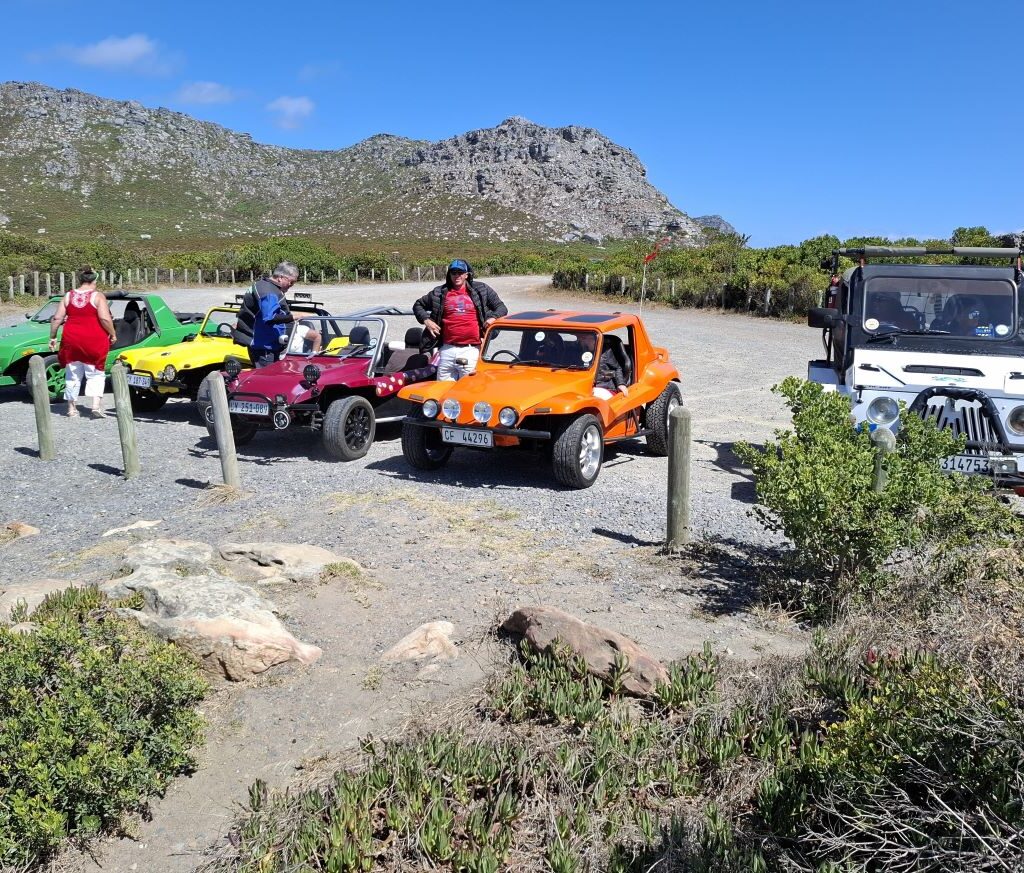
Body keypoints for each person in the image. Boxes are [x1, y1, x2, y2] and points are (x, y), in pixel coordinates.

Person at [413, 259, 507, 380]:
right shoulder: (439, 292)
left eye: (460, 272)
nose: (457, 276)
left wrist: (493, 318)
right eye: (453, 273)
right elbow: (418, 305)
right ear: (449, 274)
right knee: (443, 392)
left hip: (471, 349)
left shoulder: (481, 289)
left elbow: (501, 307)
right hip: (447, 349)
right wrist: (427, 320)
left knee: (468, 390)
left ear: (467, 275)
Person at [47, 266, 117, 417]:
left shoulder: (68, 296)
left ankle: (71, 408)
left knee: (72, 374)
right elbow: (105, 318)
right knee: (96, 372)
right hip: (94, 339)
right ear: (94, 280)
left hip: (71, 339)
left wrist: (52, 337)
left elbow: (57, 318)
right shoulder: (98, 296)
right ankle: (96, 406)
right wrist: (112, 333)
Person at [233, 261, 301, 367]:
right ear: (281, 277)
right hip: (264, 346)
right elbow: (270, 317)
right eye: (291, 282)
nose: (291, 286)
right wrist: (294, 317)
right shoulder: (268, 291)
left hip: (264, 343)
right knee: (266, 378)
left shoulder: (262, 285)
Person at [578, 332, 629, 400]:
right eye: (580, 338)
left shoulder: (605, 351)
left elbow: (617, 368)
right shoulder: (577, 352)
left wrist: (621, 384)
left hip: (603, 387)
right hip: (582, 387)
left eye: (584, 338)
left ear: (595, 339)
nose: (582, 341)